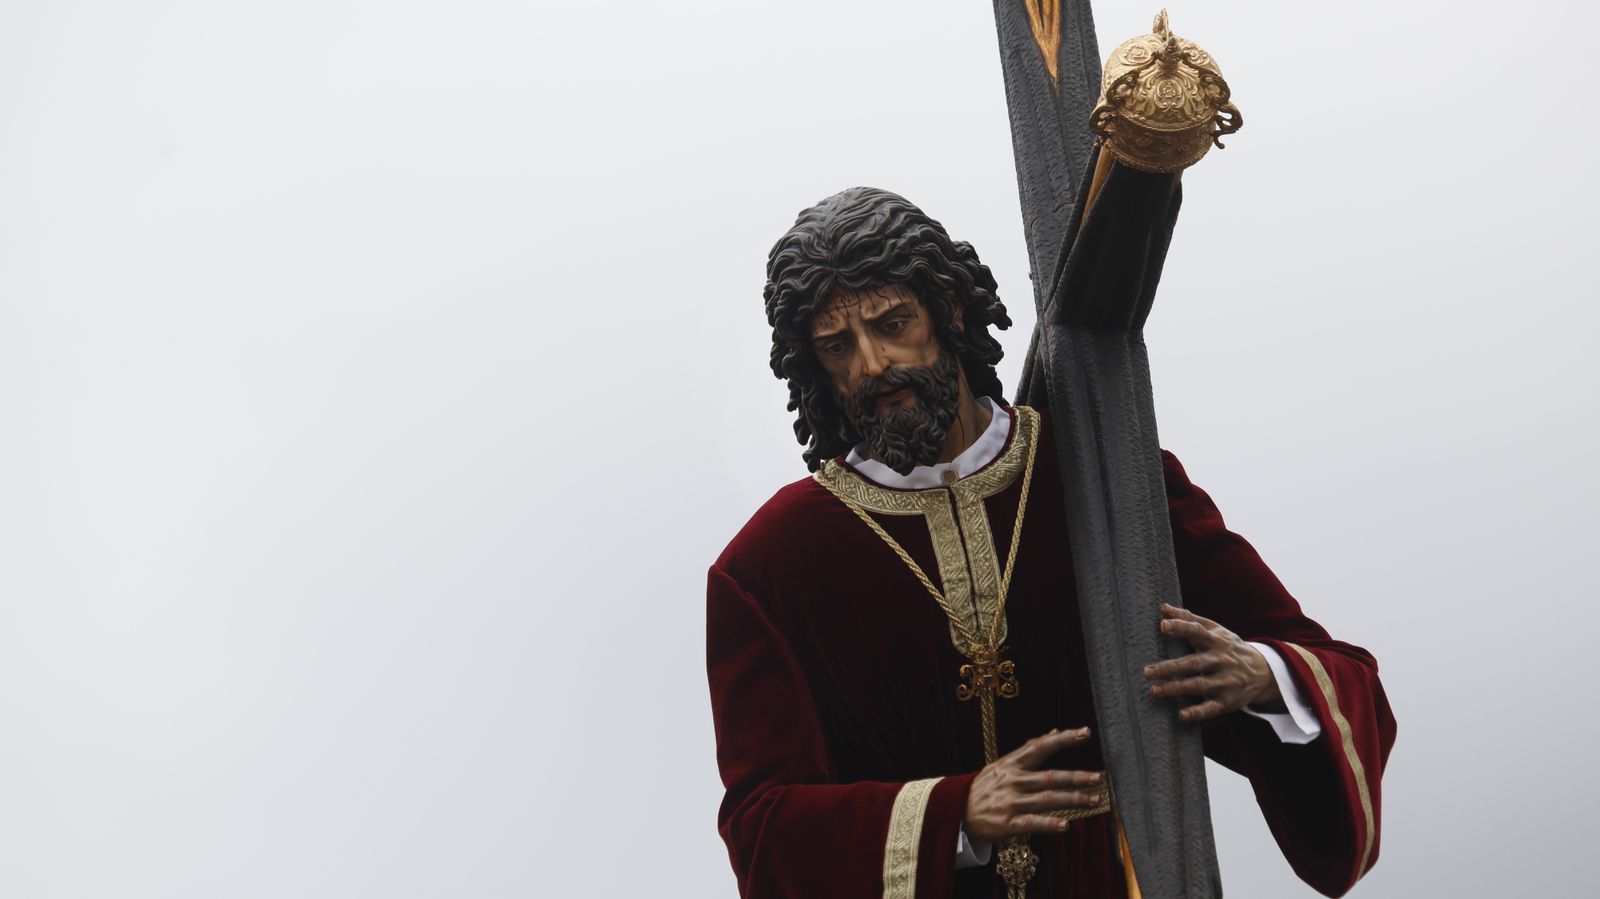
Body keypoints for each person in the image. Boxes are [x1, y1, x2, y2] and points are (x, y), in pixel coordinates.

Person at [705, 186, 1395, 899]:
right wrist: (955, 812)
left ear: (951, 309)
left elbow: (1338, 673)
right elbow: (764, 829)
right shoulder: (769, 567)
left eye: (892, 323)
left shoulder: (1104, 472)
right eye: (837, 347)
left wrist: (1261, 675)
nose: (873, 364)